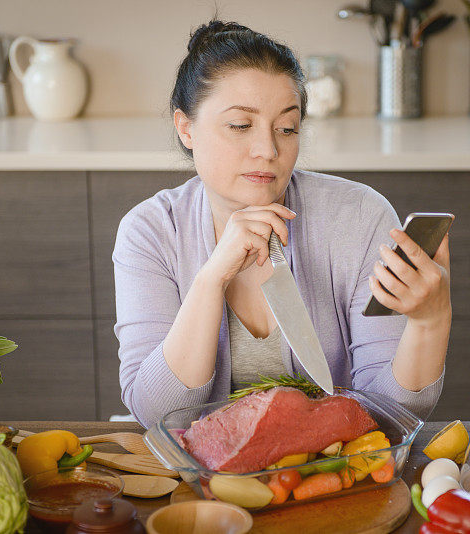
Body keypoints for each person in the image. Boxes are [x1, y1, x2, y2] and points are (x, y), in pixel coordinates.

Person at [114, 20, 451, 427]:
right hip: (205, 481)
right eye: (240, 125)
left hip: (332, 469)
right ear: (186, 128)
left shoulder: (359, 216)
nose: (268, 149)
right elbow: (156, 415)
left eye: (286, 128)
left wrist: (430, 320)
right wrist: (211, 279)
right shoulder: (149, 232)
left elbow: (393, 415)